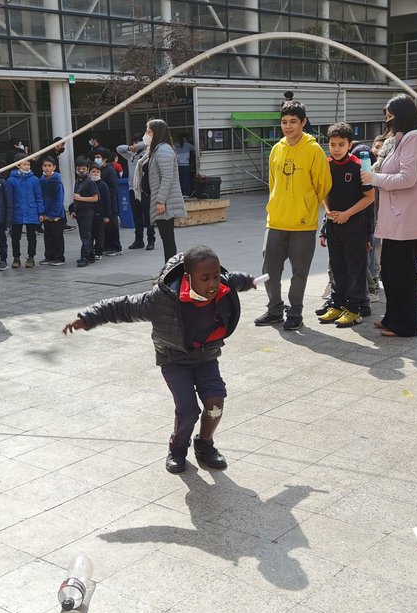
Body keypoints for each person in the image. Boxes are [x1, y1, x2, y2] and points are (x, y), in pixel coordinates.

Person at [63, 246, 257, 473]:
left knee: (215, 405)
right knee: (188, 411)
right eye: (205, 278)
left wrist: (251, 281)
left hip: (206, 359)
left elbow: (236, 280)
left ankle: (205, 445)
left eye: (216, 275)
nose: (213, 283)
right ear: (188, 278)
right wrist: (87, 318)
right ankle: (177, 450)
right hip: (175, 361)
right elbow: (120, 306)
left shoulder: (224, 286)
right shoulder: (161, 299)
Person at [361, 95, 417, 338]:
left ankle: (405, 325)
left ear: (403, 115)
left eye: (391, 116)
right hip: (396, 217)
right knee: (391, 271)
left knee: (401, 273)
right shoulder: (401, 138)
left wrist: (374, 178)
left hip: (406, 218)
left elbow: (407, 178)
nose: (388, 121)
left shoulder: (414, 138)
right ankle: (392, 318)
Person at [256, 100, 332, 331]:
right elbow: (273, 183)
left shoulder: (314, 150)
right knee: (269, 270)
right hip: (276, 221)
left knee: (299, 272)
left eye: (293, 122)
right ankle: (274, 310)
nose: (288, 126)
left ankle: (295, 312)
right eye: (284, 122)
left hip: (303, 225)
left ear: (303, 122)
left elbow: (323, 185)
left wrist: (306, 206)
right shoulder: (276, 149)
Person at [317, 123, 375, 329]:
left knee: (355, 268)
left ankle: (355, 308)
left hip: (355, 225)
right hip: (334, 224)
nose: (336, 149)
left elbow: (370, 197)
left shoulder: (360, 166)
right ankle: (337, 303)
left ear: (350, 144)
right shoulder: (325, 164)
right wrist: (327, 211)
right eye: (332, 144)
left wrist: (347, 214)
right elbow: (323, 192)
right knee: (337, 266)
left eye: (341, 144)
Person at [144, 119, 188, 262]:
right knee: (166, 238)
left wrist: (160, 201)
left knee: (168, 239)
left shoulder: (163, 150)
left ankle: (171, 269)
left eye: (149, 132)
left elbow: (167, 177)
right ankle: (169, 268)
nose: (146, 135)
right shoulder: (158, 149)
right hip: (163, 201)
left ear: (157, 133)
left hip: (166, 202)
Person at [6, 157, 45, 269]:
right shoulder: (11, 180)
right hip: (17, 211)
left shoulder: (34, 180)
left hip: (31, 211)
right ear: (18, 165)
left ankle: (31, 257)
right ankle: (16, 257)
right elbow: (9, 198)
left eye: (28, 164)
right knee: (15, 237)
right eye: (24, 164)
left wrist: (40, 212)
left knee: (31, 236)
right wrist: (9, 213)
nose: (27, 167)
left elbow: (39, 196)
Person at [118, 138, 155, 250]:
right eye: (133, 143)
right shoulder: (130, 155)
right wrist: (130, 148)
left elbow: (147, 143)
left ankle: (151, 240)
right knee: (136, 216)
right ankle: (139, 240)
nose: (135, 145)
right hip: (132, 189)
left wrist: (137, 146)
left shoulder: (147, 154)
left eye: (137, 142)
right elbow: (118, 149)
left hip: (144, 189)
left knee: (148, 216)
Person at [69, 157, 100, 267]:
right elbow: (75, 197)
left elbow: (95, 198)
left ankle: (84, 257)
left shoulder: (90, 181)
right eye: (79, 168)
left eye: (83, 168)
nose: (81, 171)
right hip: (79, 211)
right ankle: (90, 254)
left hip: (87, 211)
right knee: (85, 234)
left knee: (86, 235)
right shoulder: (78, 181)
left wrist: (80, 198)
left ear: (87, 169)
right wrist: (73, 210)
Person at [94, 150, 123, 256]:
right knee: (105, 228)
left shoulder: (110, 170)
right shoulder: (100, 169)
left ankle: (116, 247)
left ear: (105, 158)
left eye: (98, 157)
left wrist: (109, 202)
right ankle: (106, 246)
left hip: (110, 203)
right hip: (101, 204)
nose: (96, 159)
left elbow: (113, 189)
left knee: (112, 226)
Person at [39, 157, 67, 266]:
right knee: (48, 236)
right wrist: (42, 212)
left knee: (57, 236)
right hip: (45, 213)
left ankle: (59, 257)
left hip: (56, 215)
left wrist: (52, 214)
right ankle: (49, 256)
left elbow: (59, 200)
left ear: (54, 167)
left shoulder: (57, 181)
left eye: (49, 166)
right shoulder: (41, 180)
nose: (47, 168)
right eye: (45, 166)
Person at [90, 164, 114, 259]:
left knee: (99, 235)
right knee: (90, 234)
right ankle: (90, 251)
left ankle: (98, 251)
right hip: (89, 213)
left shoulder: (103, 185)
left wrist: (107, 215)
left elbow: (107, 201)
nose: (95, 174)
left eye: (98, 172)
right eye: (93, 172)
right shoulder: (88, 183)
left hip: (100, 214)